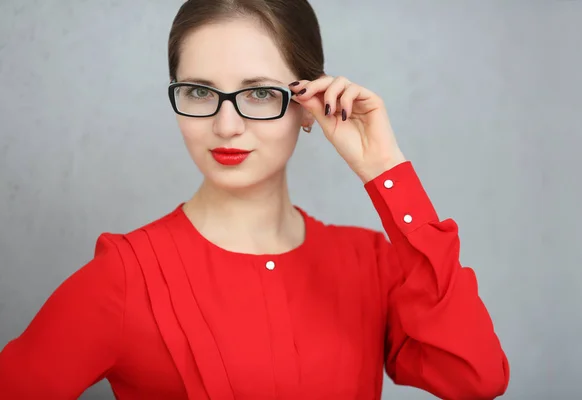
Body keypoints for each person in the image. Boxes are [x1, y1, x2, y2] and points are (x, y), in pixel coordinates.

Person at [0, 0, 510, 399]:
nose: (225, 126)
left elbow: (475, 379)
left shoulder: (370, 263)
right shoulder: (125, 275)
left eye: (260, 93)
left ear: (310, 104)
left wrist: (384, 170)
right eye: (199, 91)